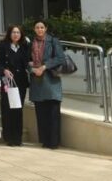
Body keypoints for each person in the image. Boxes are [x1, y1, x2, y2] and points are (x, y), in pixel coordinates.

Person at [28, 20, 66, 149]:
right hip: (37, 80)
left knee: (53, 112)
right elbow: (26, 60)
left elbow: (60, 58)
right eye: (37, 27)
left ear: (46, 28)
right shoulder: (30, 43)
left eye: (42, 27)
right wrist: (32, 68)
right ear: (34, 29)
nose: (39, 29)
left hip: (51, 80)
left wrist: (44, 66)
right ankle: (45, 140)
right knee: (41, 112)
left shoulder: (53, 41)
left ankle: (54, 142)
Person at [0, 24, 30, 146]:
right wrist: (4, 70)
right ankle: (9, 137)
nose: (16, 35)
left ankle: (17, 137)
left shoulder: (24, 46)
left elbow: (29, 61)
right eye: (13, 32)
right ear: (9, 34)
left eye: (18, 32)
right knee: (7, 108)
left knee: (18, 108)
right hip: (7, 81)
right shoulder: (1, 45)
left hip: (20, 81)